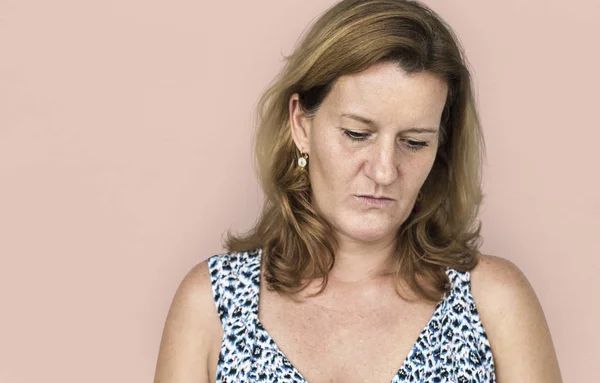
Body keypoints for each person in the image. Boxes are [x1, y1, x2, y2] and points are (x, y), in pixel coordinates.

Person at [153, 0, 562, 382]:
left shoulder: (494, 303)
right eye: (356, 134)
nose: (384, 171)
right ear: (301, 125)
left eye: (415, 142)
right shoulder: (212, 305)